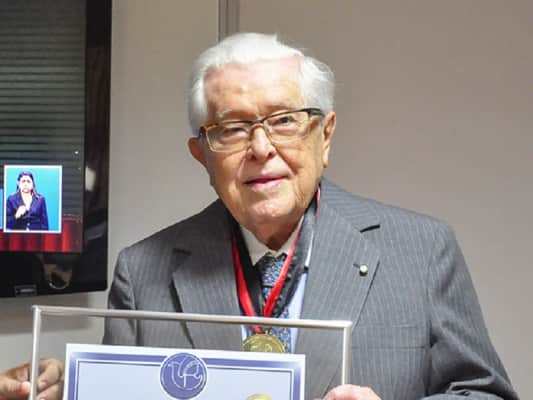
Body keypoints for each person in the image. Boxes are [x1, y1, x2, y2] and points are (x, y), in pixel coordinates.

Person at [0, 33, 519, 400]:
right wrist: (72, 390)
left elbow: (485, 393)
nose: (261, 148)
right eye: (231, 129)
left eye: (284, 120)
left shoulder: (421, 250)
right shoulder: (141, 272)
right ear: (202, 155)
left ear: (325, 136)